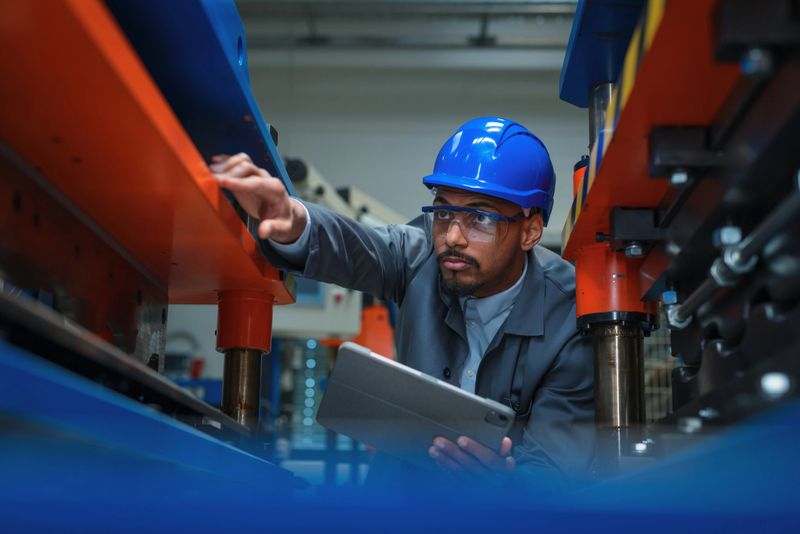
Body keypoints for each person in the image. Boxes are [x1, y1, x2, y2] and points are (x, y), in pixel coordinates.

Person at [211, 117, 594, 487]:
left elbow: (555, 470)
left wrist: (505, 483)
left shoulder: (571, 316)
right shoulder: (422, 255)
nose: (453, 237)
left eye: (480, 218)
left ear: (530, 231)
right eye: (443, 211)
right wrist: (294, 219)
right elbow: (359, 247)